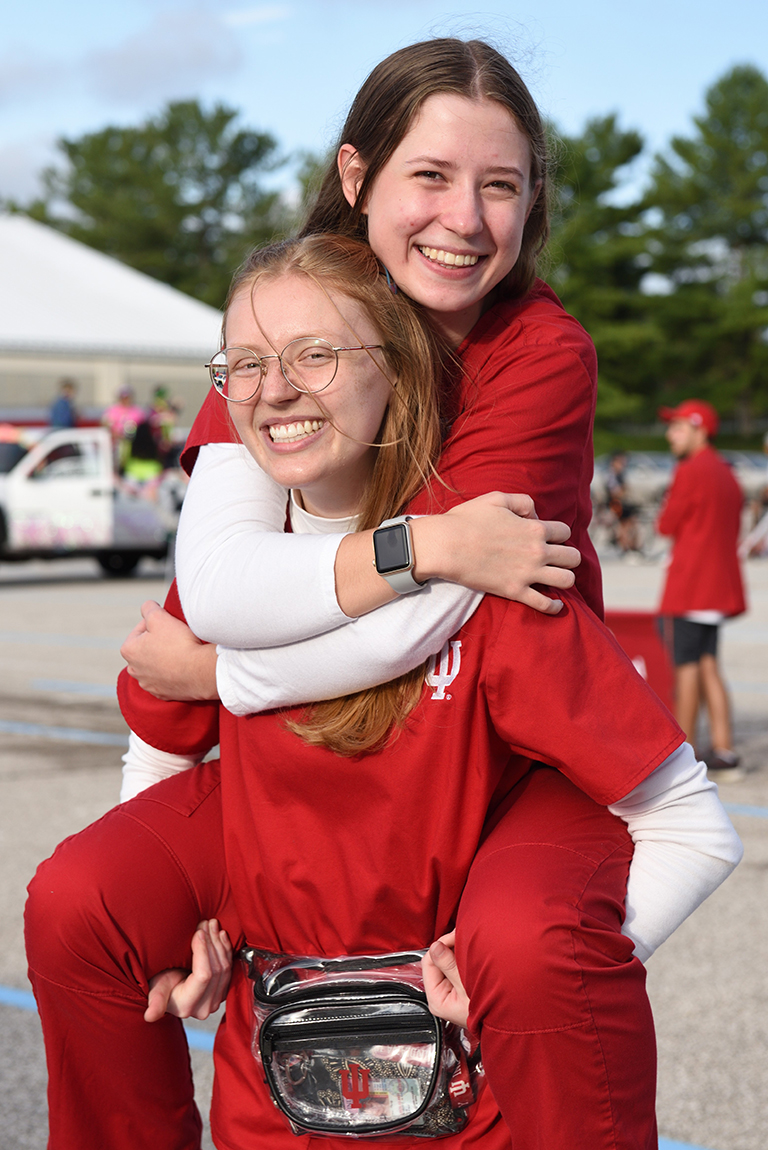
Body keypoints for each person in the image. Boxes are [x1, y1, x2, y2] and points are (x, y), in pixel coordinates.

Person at [26, 234, 742, 1150]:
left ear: (396, 374)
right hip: (276, 1074)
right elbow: (162, 747)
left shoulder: (486, 582)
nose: (275, 389)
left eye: (315, 356)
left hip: (461, 1083)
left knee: (534, 942)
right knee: (74, 901)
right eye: (244, 365)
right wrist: (178, 926)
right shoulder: (226, 587)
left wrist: (533, 977)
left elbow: (691, 822)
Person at [657, 398, 747, 776]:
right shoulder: (727, 472)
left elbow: (666, 525)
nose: (669, 434)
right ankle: (724, 748)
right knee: (708, 663)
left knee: (686, 666)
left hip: (691, 584)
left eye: (678, 427)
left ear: (699, 429)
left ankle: (686, 752)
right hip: (718, 587)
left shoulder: (691, 470)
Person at [102, 386, 146, 471]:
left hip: (133, 443)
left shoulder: (137, 411)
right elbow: (106, 424)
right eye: (123, 397)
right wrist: (116, 434)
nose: (126, 399)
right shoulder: (113, 410)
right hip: (116, 443)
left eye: (127, 397)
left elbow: (143, 427)